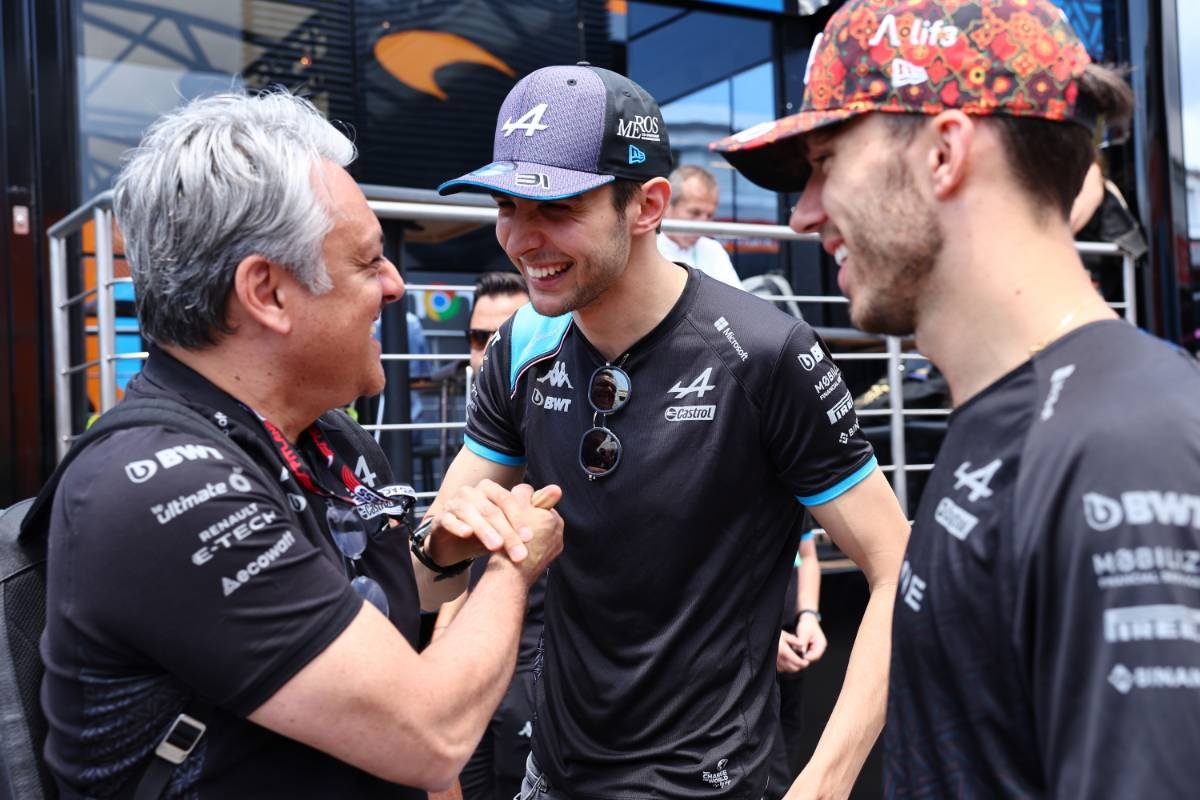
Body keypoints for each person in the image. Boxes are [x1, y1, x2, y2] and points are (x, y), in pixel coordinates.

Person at [714, 0, 1200, 796]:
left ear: (944, 153)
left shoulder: (1122, 447)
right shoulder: (1018, 418)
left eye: (826, 161)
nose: (802, 214)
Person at [41, 90, 564, 798]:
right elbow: (428, 734)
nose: (395, 286)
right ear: (267, 292)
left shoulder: (330, 439)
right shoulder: (163, 485)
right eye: (368, 261)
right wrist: (512, 566)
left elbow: (349, 606)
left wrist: (442, 549)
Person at [434, 63, 911, 799]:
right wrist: (440, 541)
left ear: (649, 205)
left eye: (555, 208)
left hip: (713, 784)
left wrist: (827, 781)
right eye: (506, 206)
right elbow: (433, 561)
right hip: (553, 776)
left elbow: (895, 565)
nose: (522, 240)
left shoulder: (765, 351)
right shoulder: (520, 344)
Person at [433, 270, 542, 800]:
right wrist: (439, 646)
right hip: (466, 668)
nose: (491, 351)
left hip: (542, 674)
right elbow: (459, 555)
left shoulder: (578, 432)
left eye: (506, 335)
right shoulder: (481, 434)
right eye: (480, 338)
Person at [767, 521, 827, 798]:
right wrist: (765, 636)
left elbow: (808, 555)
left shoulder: (796, 499)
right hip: (749, 652)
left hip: (792, 641)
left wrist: (808, 615)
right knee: (773, 775)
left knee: (790, 741)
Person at [656, 163, 743, 287]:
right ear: (667, 207)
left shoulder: (713, 249)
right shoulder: (649, 248)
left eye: (709, 215)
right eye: (695, 213)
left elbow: (736, 296)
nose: (703, 224)